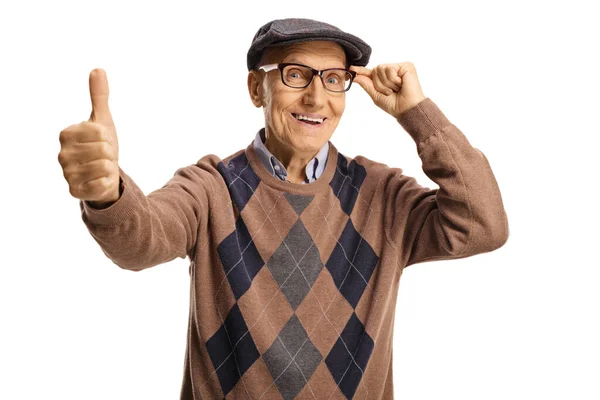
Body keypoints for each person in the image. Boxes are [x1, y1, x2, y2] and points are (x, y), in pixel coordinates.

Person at [58, 17, 509, 400]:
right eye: (296, 74)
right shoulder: (212, 188)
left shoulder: (381, 195)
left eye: (334, 79)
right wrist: (107, 192)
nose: (317, 98)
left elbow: (483, 224)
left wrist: (418, 113)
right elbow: (141, 242)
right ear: (258, 88)